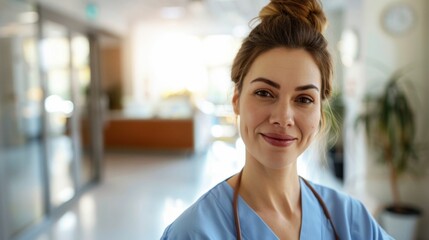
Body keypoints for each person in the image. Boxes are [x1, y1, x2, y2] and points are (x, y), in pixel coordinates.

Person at [161, 0, 393, 239]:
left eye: (304, 99)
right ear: (236, 100)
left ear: (320, 113)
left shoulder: (350, 219)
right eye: (264, 93)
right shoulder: (194, 231)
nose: (283, 118)